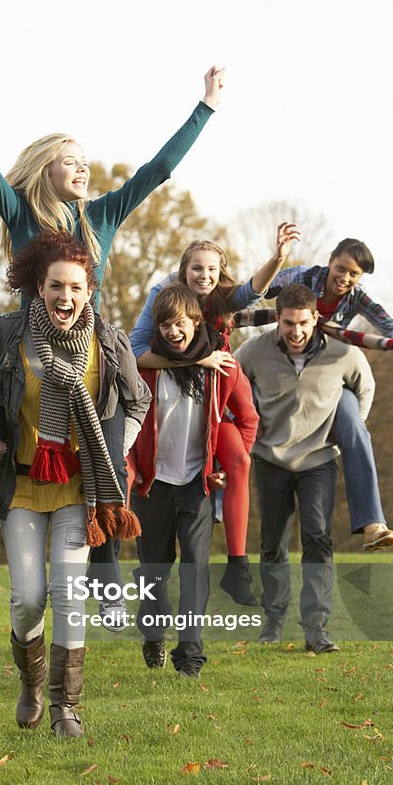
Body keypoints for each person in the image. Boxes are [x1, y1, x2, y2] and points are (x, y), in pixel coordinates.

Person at [0, 61, 224, 613]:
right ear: (46, 168)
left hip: (89, 363)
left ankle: (105, 584)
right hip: (22, 361)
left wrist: (206, 106)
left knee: (104, 462)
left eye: (84, 161)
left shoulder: (99, 217)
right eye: (70, 161)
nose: (82, 169)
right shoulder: (20, 212)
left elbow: (159, 169)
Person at [0, 232, 151, 736]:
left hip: (78, 494)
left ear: (89, 291)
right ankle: (32, 683)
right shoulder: (10, 333)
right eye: (56, 286)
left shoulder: (108, 342)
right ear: (40, 287)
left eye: (75, 288)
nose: (65, 297)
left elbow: (139, 401)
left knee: (68, 590)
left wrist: (112, 452)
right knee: (28, 598)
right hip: (20, 488)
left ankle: (67, 707)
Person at [129, 223, 299, 603]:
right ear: (182, 271)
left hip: (213, 403)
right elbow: (136, 349)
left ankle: (237, 565)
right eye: (196, 269)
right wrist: (199, 358)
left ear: (219, 271)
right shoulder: (162, 294)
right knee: (127, 468)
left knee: (238, 457)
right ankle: (104, 549)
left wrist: (278, 258)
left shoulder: (222, 295)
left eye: (211, 269)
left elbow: (252, 290)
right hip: (170, 396)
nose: (203, 276)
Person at [234, 283, 378, 653]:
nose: (295, 331)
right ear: (277, 320)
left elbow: (366, 388)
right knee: (273, 542)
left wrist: (345, 429)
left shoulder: (343, 354)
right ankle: (274, 621)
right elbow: (231, 385)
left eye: (302, 323)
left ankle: (316, 628)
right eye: (287, 323)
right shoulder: (254, 351)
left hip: (319, 460)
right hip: (271, 459)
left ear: (316, 318)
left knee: (317, 537)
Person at [259, 237, 393, 550]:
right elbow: (261, 288)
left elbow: (387, 324)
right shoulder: (304, 277)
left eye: (354, 274)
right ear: (330, 260)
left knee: (354, 426)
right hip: (286, 362)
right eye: (341, 268)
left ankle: (373, 522)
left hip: (328, 374)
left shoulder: (357, 297)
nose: (345, 278)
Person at [129, 284, 259, 676]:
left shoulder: (224, 368)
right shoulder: (145, 368)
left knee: (195, 570)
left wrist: (227, 462)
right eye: (165, 325)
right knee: (154, 570)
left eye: (180, 323)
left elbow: (248, 420)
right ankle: (153, 632)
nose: (173, 331)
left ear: (196, 321)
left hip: (196, 485)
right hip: (152, 486)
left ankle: (190, 659)